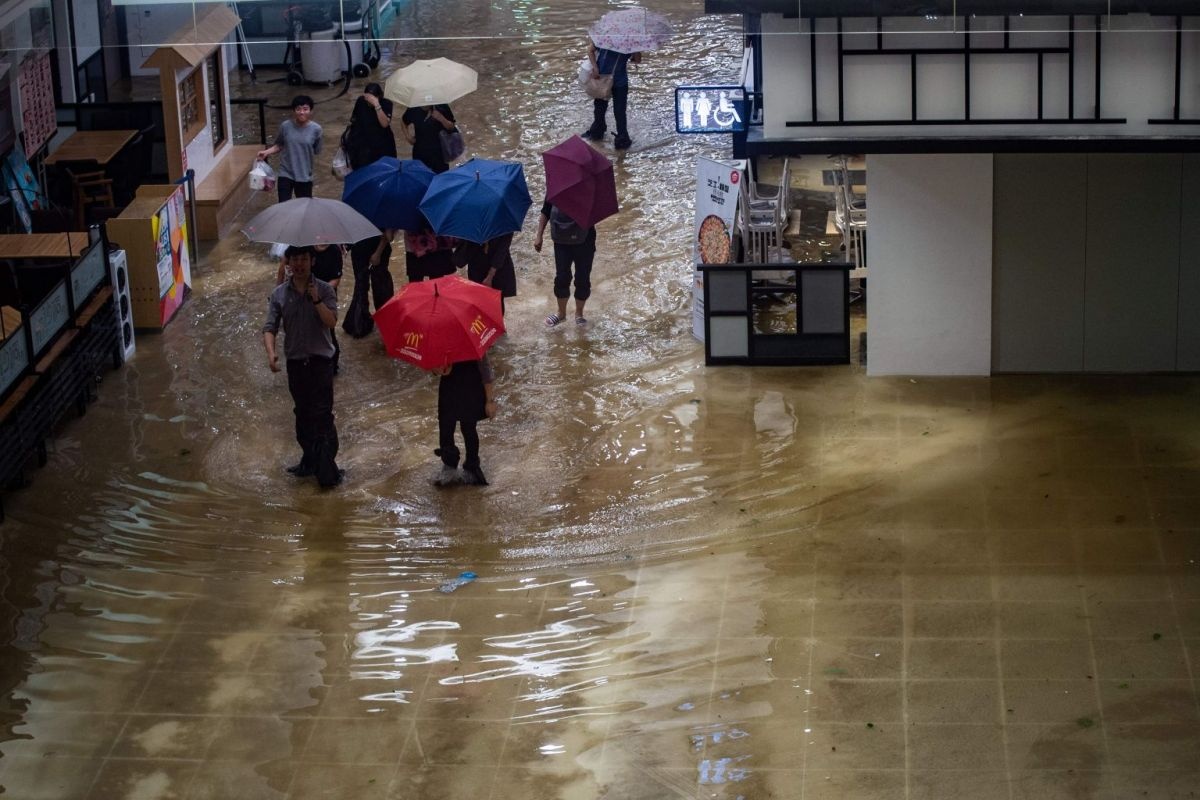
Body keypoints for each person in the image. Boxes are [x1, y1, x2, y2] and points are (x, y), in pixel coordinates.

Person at [262, 245, 342, 487]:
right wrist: (271, 354)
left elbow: (331, 322)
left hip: (321, 362)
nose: (299, 264)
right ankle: (309, 460)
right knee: (302, 415)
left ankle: (327, 471)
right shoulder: (278, 294)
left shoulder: (325, 290)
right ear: (288, 263)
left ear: (312, 262)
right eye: (295, 259)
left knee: (323, 416)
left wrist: (316, 299)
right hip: (296, 364)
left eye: (304, 259)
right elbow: (270, 327)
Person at [277, 243, 344, 372]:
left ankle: (331, 366)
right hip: (301, 295)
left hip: (324, 296)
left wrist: (319, 292)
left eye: (304, 259)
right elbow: (283, 267)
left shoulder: (334, 250)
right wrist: (278, 290)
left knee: (328, 331)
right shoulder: (302, 246)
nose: (300, 262)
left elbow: (336, 279)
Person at [433, 355, 496, 487]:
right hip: (448, 388)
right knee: (445, 426)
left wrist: (490, 401)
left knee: (468, 428)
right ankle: (449, 465)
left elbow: (486, 371)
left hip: (471, 387)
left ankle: (472, 468)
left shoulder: (472, 346)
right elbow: (433, 367)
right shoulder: (441, 346)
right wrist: (437, 369)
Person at [533, 200, 596, 326]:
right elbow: (546, 210)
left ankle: (579, 314)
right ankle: (561, 313)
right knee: (561, 277)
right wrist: (539, 235)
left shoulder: (590, 189)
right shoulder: (556, 188)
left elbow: (599, 212)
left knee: (583, 278)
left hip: (585, 239)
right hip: (561, 239)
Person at [257, 96, 323, 202]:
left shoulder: (316, 129)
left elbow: (317, 150)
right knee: (283, 205)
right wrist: (266, 152)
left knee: (303, 206)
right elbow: (279, 144)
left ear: (311, 111)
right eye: (298, 109)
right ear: (293, 111)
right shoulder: (285, 126)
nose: (302, 112)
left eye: (305, 109)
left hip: (304, 175)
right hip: (285, 173)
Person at [582, 42, 641, 150]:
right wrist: (595, 68)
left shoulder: (631, 41)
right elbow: (590, 50)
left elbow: (637, 60)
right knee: (600, 108)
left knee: (619, 111)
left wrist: (636, 49)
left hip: (620, 81)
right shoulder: (605, 38)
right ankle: (598, 130)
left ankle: (622, 137)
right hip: (602, 78)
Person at [343, 228, 396, 338]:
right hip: (359, 247)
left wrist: (378, 252)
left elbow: (389, 235)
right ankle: (361, 323)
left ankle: (385, 320)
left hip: (376, 247)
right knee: (361, 286)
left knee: (380, 286)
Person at [452, 233, 516, 314]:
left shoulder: (505, 227)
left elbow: (501, 251)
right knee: (480, 302)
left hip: (497, 269)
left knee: (496, 303)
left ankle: (496, 321)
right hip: (478, 267)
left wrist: (490, 276)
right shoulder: (472, 227)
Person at [342, 83, 396, 171]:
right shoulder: (361, 101)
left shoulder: (386, 103)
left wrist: (377, 105)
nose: (369, 101)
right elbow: (354, 122)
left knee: (383, 169)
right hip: (364, 145)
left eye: (372, 99)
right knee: (362, 170)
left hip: (382, 145)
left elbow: (385, 124)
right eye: (367, 98)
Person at [401, 103, 457, 173]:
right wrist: (408, 136)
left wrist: (441, 118)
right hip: (420, 152)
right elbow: (403, 122)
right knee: (421, 176)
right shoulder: (413, 108)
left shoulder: (442, 106)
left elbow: (451, 127)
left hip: (440, 153)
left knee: (441, 177)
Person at [403, 214, 457, 284]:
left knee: (416, 283)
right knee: (436, 282)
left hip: (416, 247)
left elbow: (391, 236)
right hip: (436, 244)